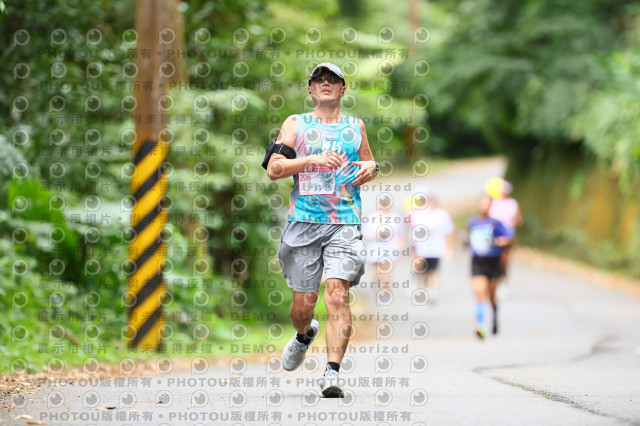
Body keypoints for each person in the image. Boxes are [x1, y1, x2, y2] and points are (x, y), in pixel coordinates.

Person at [265, 62, 379, 398]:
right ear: (311, 89)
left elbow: (369, 162)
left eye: (333, 79)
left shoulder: (356, 127)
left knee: (338, 294)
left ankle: (332, 373)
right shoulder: (296, 124)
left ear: (343, 89)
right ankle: (304, 334)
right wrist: (310, 161)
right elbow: (274, 169)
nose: (325, 83)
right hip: (304, 223)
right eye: (319, 79)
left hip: (344, 222)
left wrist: (372, 168)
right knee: (303, 306)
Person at [468, 193, 511, 338]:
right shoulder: (472, 222)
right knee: (479, 292)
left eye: (486, 204)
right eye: (482, 203)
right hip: (477, 262)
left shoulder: (496, 223)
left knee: (491, 294)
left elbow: (507, 239)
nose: (484, 207)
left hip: (493, 261)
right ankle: (480, 326)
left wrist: (498, 242)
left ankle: (494, 314)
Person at [409, 191, 454, 303]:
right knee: (420, 267)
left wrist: (449, 247)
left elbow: (448, 231)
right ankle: (416, 281)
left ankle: (432, 291)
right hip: (422, 248)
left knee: (432, 270)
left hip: (436, 248)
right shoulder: (420, 214)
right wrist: (414, 246)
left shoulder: (442, 215)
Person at [361, 193, 404, 294]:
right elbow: (366, 234)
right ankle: (377, 287)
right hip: (375, 248)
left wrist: (399, 248)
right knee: (376, 272)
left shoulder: (395, 218)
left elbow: (400, 235)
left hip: (390, 248)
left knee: (387, 272)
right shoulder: (373, 217)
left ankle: (386, 291)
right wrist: (378, 235)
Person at [487, 178, 523, 280]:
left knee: (505, 258)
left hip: (507, 234)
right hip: (494, 233)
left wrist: (516, 221)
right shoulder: (493, 203)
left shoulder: (513, 203)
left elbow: (519, 220)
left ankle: (503, 277)